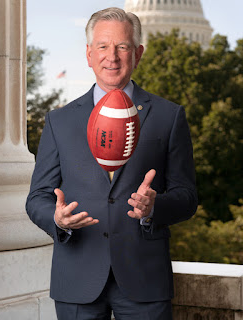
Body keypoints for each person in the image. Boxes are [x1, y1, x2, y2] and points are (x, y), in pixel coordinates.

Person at [26, 7, 197, 320]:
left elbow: (187, 197)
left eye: (123, 47)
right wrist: (58, 220)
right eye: (103, 47)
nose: (112, 57)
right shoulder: (59, 121)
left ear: (138, 54)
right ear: (89, 54)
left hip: (145, 279)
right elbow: (36, 198)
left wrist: (154, 206)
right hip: (76, 279)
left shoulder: (168, 116)